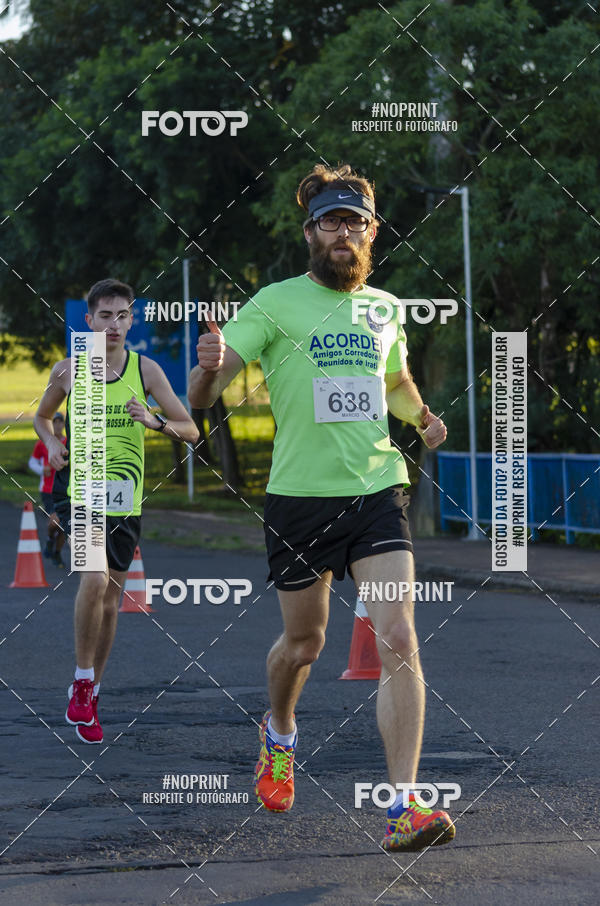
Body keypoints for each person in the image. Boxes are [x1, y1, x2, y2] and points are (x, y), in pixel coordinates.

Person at [188, 164, 455, 852]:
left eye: (355, 221)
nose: (344, 232)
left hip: (376, 492)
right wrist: (207, 364)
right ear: (311, 232)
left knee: (398, 636)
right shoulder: (275, 304)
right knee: (304, 644)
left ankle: (403, 805)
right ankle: (279, 734)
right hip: (300, 501)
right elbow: (205, 394)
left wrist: (420, 413)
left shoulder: (385, 308)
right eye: (331, 221)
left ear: (372, 233)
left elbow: (393, 380)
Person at [34, 278, 199, 744]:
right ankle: (81, 680)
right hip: (80, 492)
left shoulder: (146, 371)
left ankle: (92, 692)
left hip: (125, 498)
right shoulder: (70, 370)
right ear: (88, 322)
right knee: (92, 578)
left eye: (122, 315)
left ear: (132, 320)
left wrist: (155, 421)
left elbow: (190, 430)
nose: (113, 324)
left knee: (111, 602)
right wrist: (50, 443)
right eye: (104, 316)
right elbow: (43, 416)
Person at [28, 412, 67, 566]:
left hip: (66, 490)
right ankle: (50, 539)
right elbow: (32, 462)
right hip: (48, 490)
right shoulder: (43, 443)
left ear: (64, 424)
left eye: (60, 422)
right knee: (55, 522)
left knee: (64, 524)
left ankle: (56, 553)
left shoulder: (68, 442)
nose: (57, 425)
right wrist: (41, 469)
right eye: (54, 422)